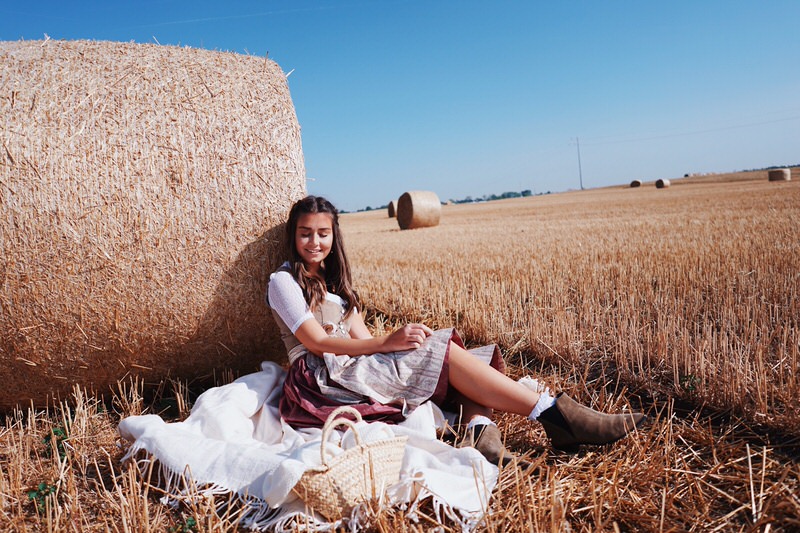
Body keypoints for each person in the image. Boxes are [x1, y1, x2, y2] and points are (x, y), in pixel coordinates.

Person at [266, 195, 645, 465]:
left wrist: (405, 343)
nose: (315, 242)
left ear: (334, 237)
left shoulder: (336, 285)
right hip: (319, 378)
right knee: (443, 356)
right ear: (293, 236)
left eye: (323, 233)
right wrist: (391, 342)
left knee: (440, 352)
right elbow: (315, 343)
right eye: (305, 233)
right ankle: (556, 416)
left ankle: (481, 432)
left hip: (349, 368)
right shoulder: (282, 281)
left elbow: (364, 342)